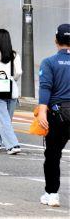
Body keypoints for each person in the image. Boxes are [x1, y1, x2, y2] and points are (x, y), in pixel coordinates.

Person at [37, 24, 70, 208]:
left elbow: (45, 87)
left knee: (53, 155)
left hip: (58, 115)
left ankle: (52, 194)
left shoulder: (49, 62)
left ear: (56, 40)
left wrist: (42, 110)